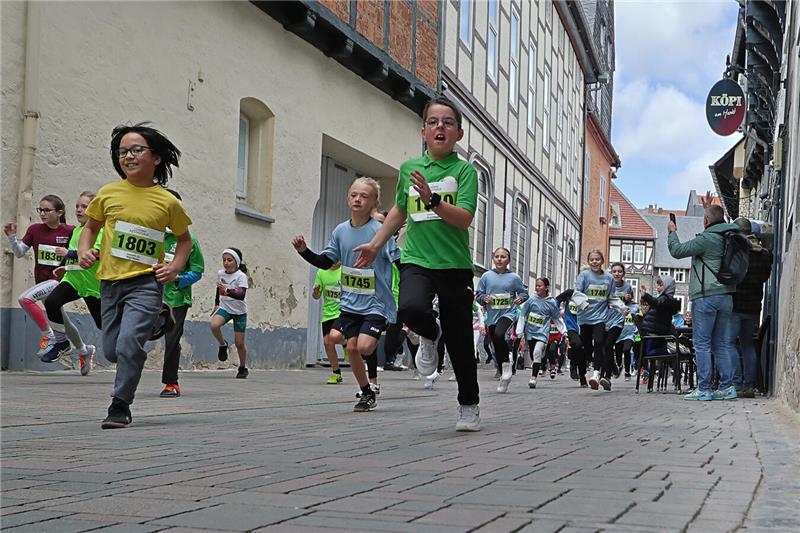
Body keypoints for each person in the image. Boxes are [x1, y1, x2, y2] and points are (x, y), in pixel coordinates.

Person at [353, 96, 482, 431]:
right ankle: (429, 333)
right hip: (417, 258)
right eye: (433, 122)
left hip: (453, 265)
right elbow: (399, 210)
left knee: (461, 342)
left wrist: (432, 199)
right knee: (409, 308)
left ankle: (468, 404)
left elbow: (464, 218)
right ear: (423, 130)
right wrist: (376, 243)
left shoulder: (465, 171)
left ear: (459, 133)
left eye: (448, 122)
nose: (440, 127)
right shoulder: (410, 169)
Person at [78, 123, 192, 429]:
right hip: (110, 283)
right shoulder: (108, 194)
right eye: (122, 151)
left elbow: (184, 241)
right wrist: (85, 251)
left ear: (155, 158)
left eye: (136, 149)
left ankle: (120, 405)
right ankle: (158, 320)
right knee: (113, 350)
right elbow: (90, 228)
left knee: (129, 345)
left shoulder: (167, 202)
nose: (128, 156)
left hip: (145, 283)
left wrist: (174, 267)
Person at [293, 177, 399, 412]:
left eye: (364, 196)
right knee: (350, 348)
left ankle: (375, 354)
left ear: (374, 202)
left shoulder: (381, 231)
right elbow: (326, 261)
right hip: (350, 302)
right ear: (348, 198)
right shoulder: (341, 231)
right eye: (353, 195)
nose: (358, 199)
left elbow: (400, 261)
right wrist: (304, 251)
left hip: (375, 303)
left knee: (362, 347)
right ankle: (367, 392)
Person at [667, 205, 740, 401]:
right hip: (726, 296)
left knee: (702, 343)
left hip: (706, 296)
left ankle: (704, 388)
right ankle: (727, 387)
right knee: (721, 344)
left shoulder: (708, 238)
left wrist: (672, 232)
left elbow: (677, 250)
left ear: (706, 221)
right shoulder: (729, 236)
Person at [5, 195, 74, 359]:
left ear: (59, 213)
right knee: (65, 322)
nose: (42, 213)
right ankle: (84, 349)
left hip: (59, 281)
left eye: (47, 210)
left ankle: (49, 335)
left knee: (25, 299)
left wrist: (68, 257)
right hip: (42, 282)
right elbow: (20, 253)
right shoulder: (35, 229)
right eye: (40, 210)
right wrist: (12, 237)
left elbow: (79, 253)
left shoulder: (70, 231)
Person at [41, 192, 103, 373]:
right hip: (74, 280)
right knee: (52, 301)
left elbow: (96, 253)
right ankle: (61, 343)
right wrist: (65, 267)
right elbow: (73, 254)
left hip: (93, 285)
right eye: (77, 206)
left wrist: (69, 254)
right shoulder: (76, 230)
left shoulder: (99, 230)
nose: (79, 209)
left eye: (84, 206)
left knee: (102, 325)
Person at [159, 189, 204, 397]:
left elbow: (197, 271)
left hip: (176, 298)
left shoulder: (189, 240)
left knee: (171, 339)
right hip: (148, 294)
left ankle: (171, 383)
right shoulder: (151, 235)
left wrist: (178, 278)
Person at [730, 217, 773, 398]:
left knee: (729, 344)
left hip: (735, 305)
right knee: (748, 346)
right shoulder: (764, 254)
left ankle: (736, 384)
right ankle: (749, 386)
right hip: (754, 306)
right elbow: (764, 277)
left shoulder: (737, 251)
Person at [476, 247, 528, 393]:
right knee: (496, 343)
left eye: (503, 257)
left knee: (499, 335)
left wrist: (520, 298)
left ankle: (506, 369)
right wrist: (483, 298)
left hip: (508, 313)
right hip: (491, 316)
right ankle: (503, 367)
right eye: (497, 256)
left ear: (508, 260)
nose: (499, 259)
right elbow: (478, 295)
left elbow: (524, 293)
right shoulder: (486, 276)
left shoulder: (514, 278)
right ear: (493, 258)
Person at [574, 249, 615, 391]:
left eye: (597, 259)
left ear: (602, 261)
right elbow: (577, 293)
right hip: (585, 317)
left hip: (600, 317)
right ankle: (592, 360)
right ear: (588, 261)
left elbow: (612, 297)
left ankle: (596, 374)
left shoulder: (609, 278)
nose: (595, 262)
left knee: (599, 342)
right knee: (587, 346)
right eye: (592, 259)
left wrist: (621, 307)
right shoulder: (584, 276)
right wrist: (584, 305)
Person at [515, 278, 564, 389]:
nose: (537, 288)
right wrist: (519, 330)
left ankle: (533, 378)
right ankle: (540, 358)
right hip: (530, 332)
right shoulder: (531, 299)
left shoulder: (551, 302)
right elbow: (522, 315)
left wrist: (564, 331)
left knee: (537, 352)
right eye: (536, 286)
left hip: (542, 333)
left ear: (546, 287)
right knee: (533, 354)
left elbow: (556, 318)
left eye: (540, 286)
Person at [211, 248, 249, 379]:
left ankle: (242, 367)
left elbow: (241, 295)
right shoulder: (221, 273)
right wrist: (216, 303)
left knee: (239, 343)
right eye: (224, 260)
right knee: (214, 325)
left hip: (239, 312)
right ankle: (223, 345)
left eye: (229, 260)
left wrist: (226, 291)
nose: (226, 263)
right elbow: (218, 289)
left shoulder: (241, 276)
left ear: (236, 262)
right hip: (225, 307)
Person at [312, 262, 346, 383]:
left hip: (343, 312)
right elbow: (316, 296)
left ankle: (347, 343)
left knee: (334, 337)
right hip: (328, 313)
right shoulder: (321, 272)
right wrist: (316, 291)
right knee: (327, 342)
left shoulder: (345, 270)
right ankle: (336, 373)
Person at [604, 262, 633, 379]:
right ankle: (614, 367)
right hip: (605, 319)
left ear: (623, 274)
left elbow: (630, 303)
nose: (617, 274)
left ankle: (606, 376)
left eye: (619, 271)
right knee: (604, 348)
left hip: (618, 320)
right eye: (614, 271)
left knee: (609, 344)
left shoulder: (627, 287)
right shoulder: (606, 285)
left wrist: (628, 299)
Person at [555, 288, 587, 387]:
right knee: (577, 345)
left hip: (585, 327)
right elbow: (557, 300)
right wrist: (556, 312)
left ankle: (582, 376)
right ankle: (573, 365)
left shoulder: (591, 297)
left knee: (583, 352)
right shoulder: (570, 293)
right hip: (571, 326)